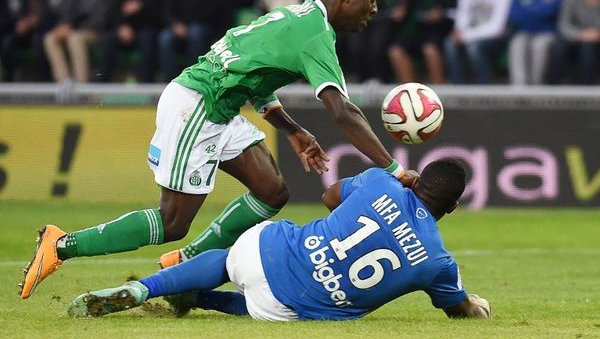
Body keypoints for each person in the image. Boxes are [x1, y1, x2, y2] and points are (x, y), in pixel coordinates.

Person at [20, 0, 415, 300]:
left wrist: (291, 128)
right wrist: (394, 169)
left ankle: (186, 264)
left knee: (271, 190)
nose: (375, 8)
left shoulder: (296, 15)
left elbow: (248, 70)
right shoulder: (315, 34)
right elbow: (343, 112)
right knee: (173, 222)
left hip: (221, 108)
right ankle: (61, 244)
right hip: (198, 106)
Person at [67, 160, 492, 321]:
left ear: (417, 178)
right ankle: (200, 301)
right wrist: (478, 308)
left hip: (269, 251)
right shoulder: (438, 262)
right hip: (287, 307)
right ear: (452, 207)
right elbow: (460, 312)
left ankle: (143, 288)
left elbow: (329, 196)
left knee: (229, 259)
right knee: (265, 307)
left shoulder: (381, 183)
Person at [388, 0, 462, 84]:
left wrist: (442, 14)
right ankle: (411, 93)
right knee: (396, 50)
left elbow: (460, 10)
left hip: (441, 28)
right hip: (418, 28)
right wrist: (402, 9)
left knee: (430, 50)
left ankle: (440, 94)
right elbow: (408, 7)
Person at [43, 0, 113, 83]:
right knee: (50, 38)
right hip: (74, 29)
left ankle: (82, 85)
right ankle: (64, 82)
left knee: (74, 38)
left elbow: (100, 19)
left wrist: (72, 28)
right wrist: (64, 25)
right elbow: (66, 11)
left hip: (96, 32)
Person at [444, 0, 512, 84]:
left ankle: (483, 86)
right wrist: (459, 30)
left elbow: (497, 27)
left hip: (496, 37)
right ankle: (457, 87)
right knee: (450, 43)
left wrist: (466, 36)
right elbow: (462, 15)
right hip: (469, 33)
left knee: (474, 47)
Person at [507, 0, 570, 86]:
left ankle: (537, 89)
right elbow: (513, 13)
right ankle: (519, 90)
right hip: (524, 30)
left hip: (550, 31)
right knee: (517, 45)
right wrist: (538, 11)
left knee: (539, 46)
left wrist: (530, 11)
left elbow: (554, 11)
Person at [1, 0, 54, 82]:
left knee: (40, 41)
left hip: (43, 30)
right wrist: (20, 22)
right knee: (7, 42)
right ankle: (9, 81)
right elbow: (13, 14)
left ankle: (45, 82)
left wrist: (34, 21)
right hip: (21, 32)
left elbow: (52, 13)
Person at [547, 0, 600, 84]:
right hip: (576, 36)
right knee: (559, 46)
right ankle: (551, 86)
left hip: (596, 39)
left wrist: (595, 34)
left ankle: (585, 88)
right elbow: (563, 23)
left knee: (588, 47)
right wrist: (581, 35)